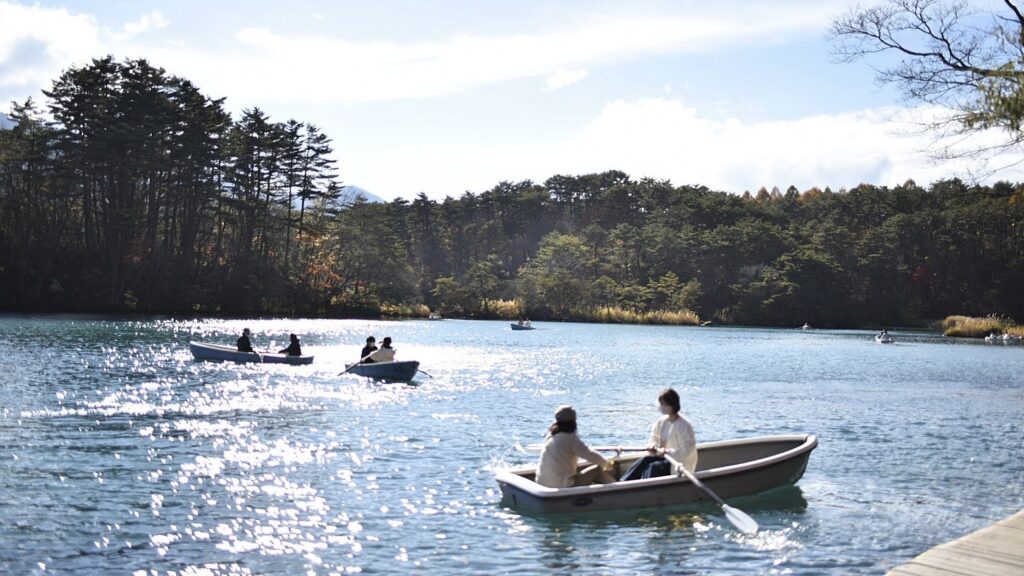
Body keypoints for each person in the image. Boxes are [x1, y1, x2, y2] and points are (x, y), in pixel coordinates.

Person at [620, 388, 697, 481]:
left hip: (675, 462)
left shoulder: (684, 425)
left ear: (673, 404)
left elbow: (687, 450)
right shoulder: (661, 421)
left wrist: (667, 452)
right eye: (661, 404)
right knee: (644, 460)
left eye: (665, 404)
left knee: (653, 467)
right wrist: (653, 445)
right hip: (661, 457)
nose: (662, 406)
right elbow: (654, 438)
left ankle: (644, 487)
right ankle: (623, 482)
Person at [535, 405, 610, 488]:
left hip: (542, 483)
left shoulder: (551, 435)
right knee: (598, 470)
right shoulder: (570, 438)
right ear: (574, 421)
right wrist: (607, 464)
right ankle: (617, 487)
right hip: (562, 485)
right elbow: (590, 454)